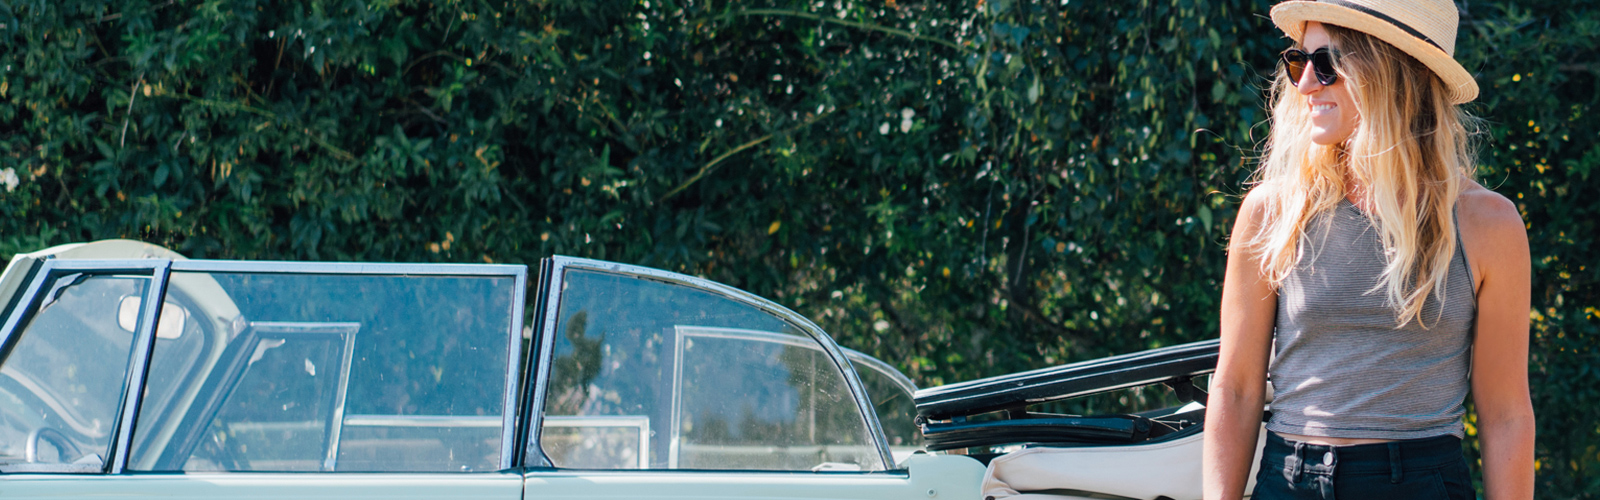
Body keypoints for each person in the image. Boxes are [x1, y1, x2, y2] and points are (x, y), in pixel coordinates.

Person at [1201, 0, 1535, 499]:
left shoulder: (1487, 224)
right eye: (1298, 62)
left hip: (1423, 483)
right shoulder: (1274, 210)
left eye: (1325, 64)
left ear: (1391, 71)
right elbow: (1236, 388)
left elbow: (1506, 412)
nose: (1306, 84)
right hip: (1290, 480)